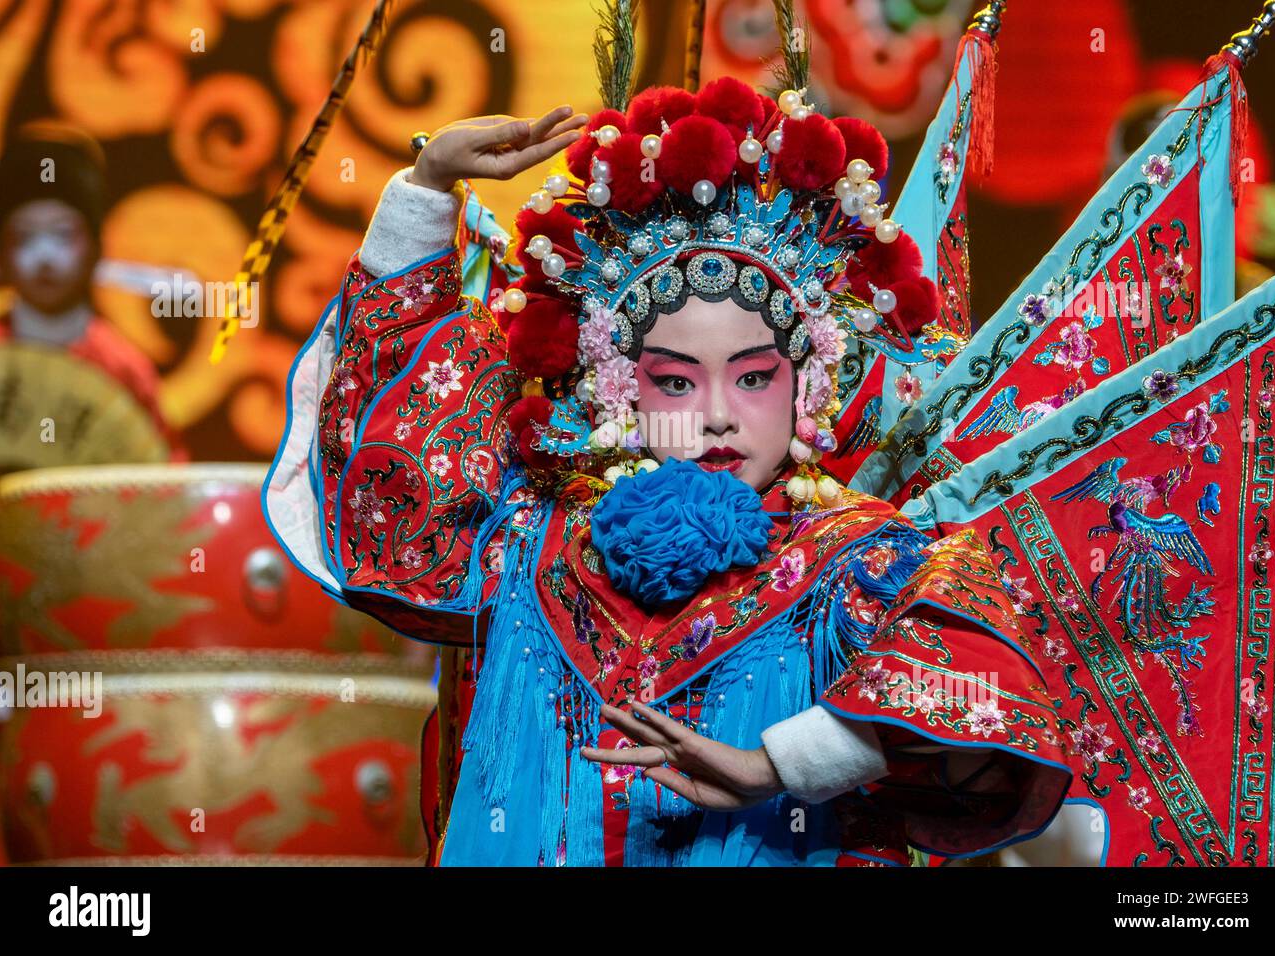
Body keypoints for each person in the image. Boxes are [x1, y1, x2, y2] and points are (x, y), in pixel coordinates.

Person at [265, 79, 1073, 867]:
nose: (717, 414)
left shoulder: (853, 561)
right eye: (677, 382)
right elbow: (397, 463)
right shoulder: (533, 540)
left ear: (808, 383)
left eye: (754, 377)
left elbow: (987, 693)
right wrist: (426, 188)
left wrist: (784, 765)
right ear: (618, 389)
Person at [0, 120, 179, 453]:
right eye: (25, 238)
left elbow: (161, 481)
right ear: (3, 253)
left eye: (63, 235)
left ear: (96, 246)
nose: (44, 257)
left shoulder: (124, 370)